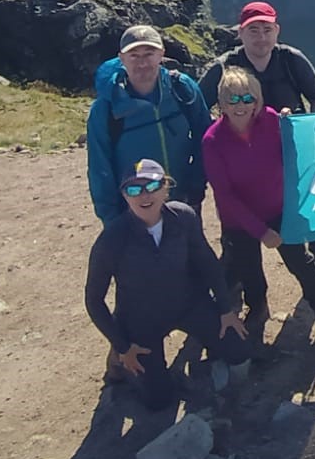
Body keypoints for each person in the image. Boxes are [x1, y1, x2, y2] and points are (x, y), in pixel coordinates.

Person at [199, 1, 315, 284]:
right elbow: (198, 107)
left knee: (308, 205)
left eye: (266, 29)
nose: (261, 37)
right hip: (244, 157)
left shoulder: (292, 59)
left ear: (277, 31)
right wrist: (220, 137)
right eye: (253, 30)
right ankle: (237, 270)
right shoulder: (223, 67)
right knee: (237, 209)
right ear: (240, 34)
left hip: (295, 154)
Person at [84, 158, 249, 410]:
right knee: (159, 400)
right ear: (124, 196)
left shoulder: (183, 216)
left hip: (189, 304)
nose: (143, 196)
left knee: (239, 350)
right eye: (133, 190)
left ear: (166, 188)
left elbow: (207, 262)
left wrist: (226, 309)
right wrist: (123, 346)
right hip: (141, 320)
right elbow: (94, 300)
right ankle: (119, 365)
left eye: (151, 186)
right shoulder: (112, 239)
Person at [202, 66, 315, 349]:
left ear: (257, 99)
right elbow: (225, 195)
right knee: (248, 269)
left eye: (247, 98)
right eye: (232, 99)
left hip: (279, 209)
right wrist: (260, 231)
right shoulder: (212, 141)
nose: (241, 106)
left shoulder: (273, 121)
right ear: (221, 103)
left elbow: (295, 156)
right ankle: (258, 308)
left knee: (301, 263)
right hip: (239, 220)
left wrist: (291, 128)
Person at [86, 25, 212, 223]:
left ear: (161, 54)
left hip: (183, 202)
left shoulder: (182, 89)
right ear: (122, 58)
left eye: (149, 53)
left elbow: (205, 140)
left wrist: (196, 190)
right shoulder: (106, 109)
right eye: (134, 55)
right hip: (133, 209)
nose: (142, 62)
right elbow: (99, 168)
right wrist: (111, 220)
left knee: (189, 254)